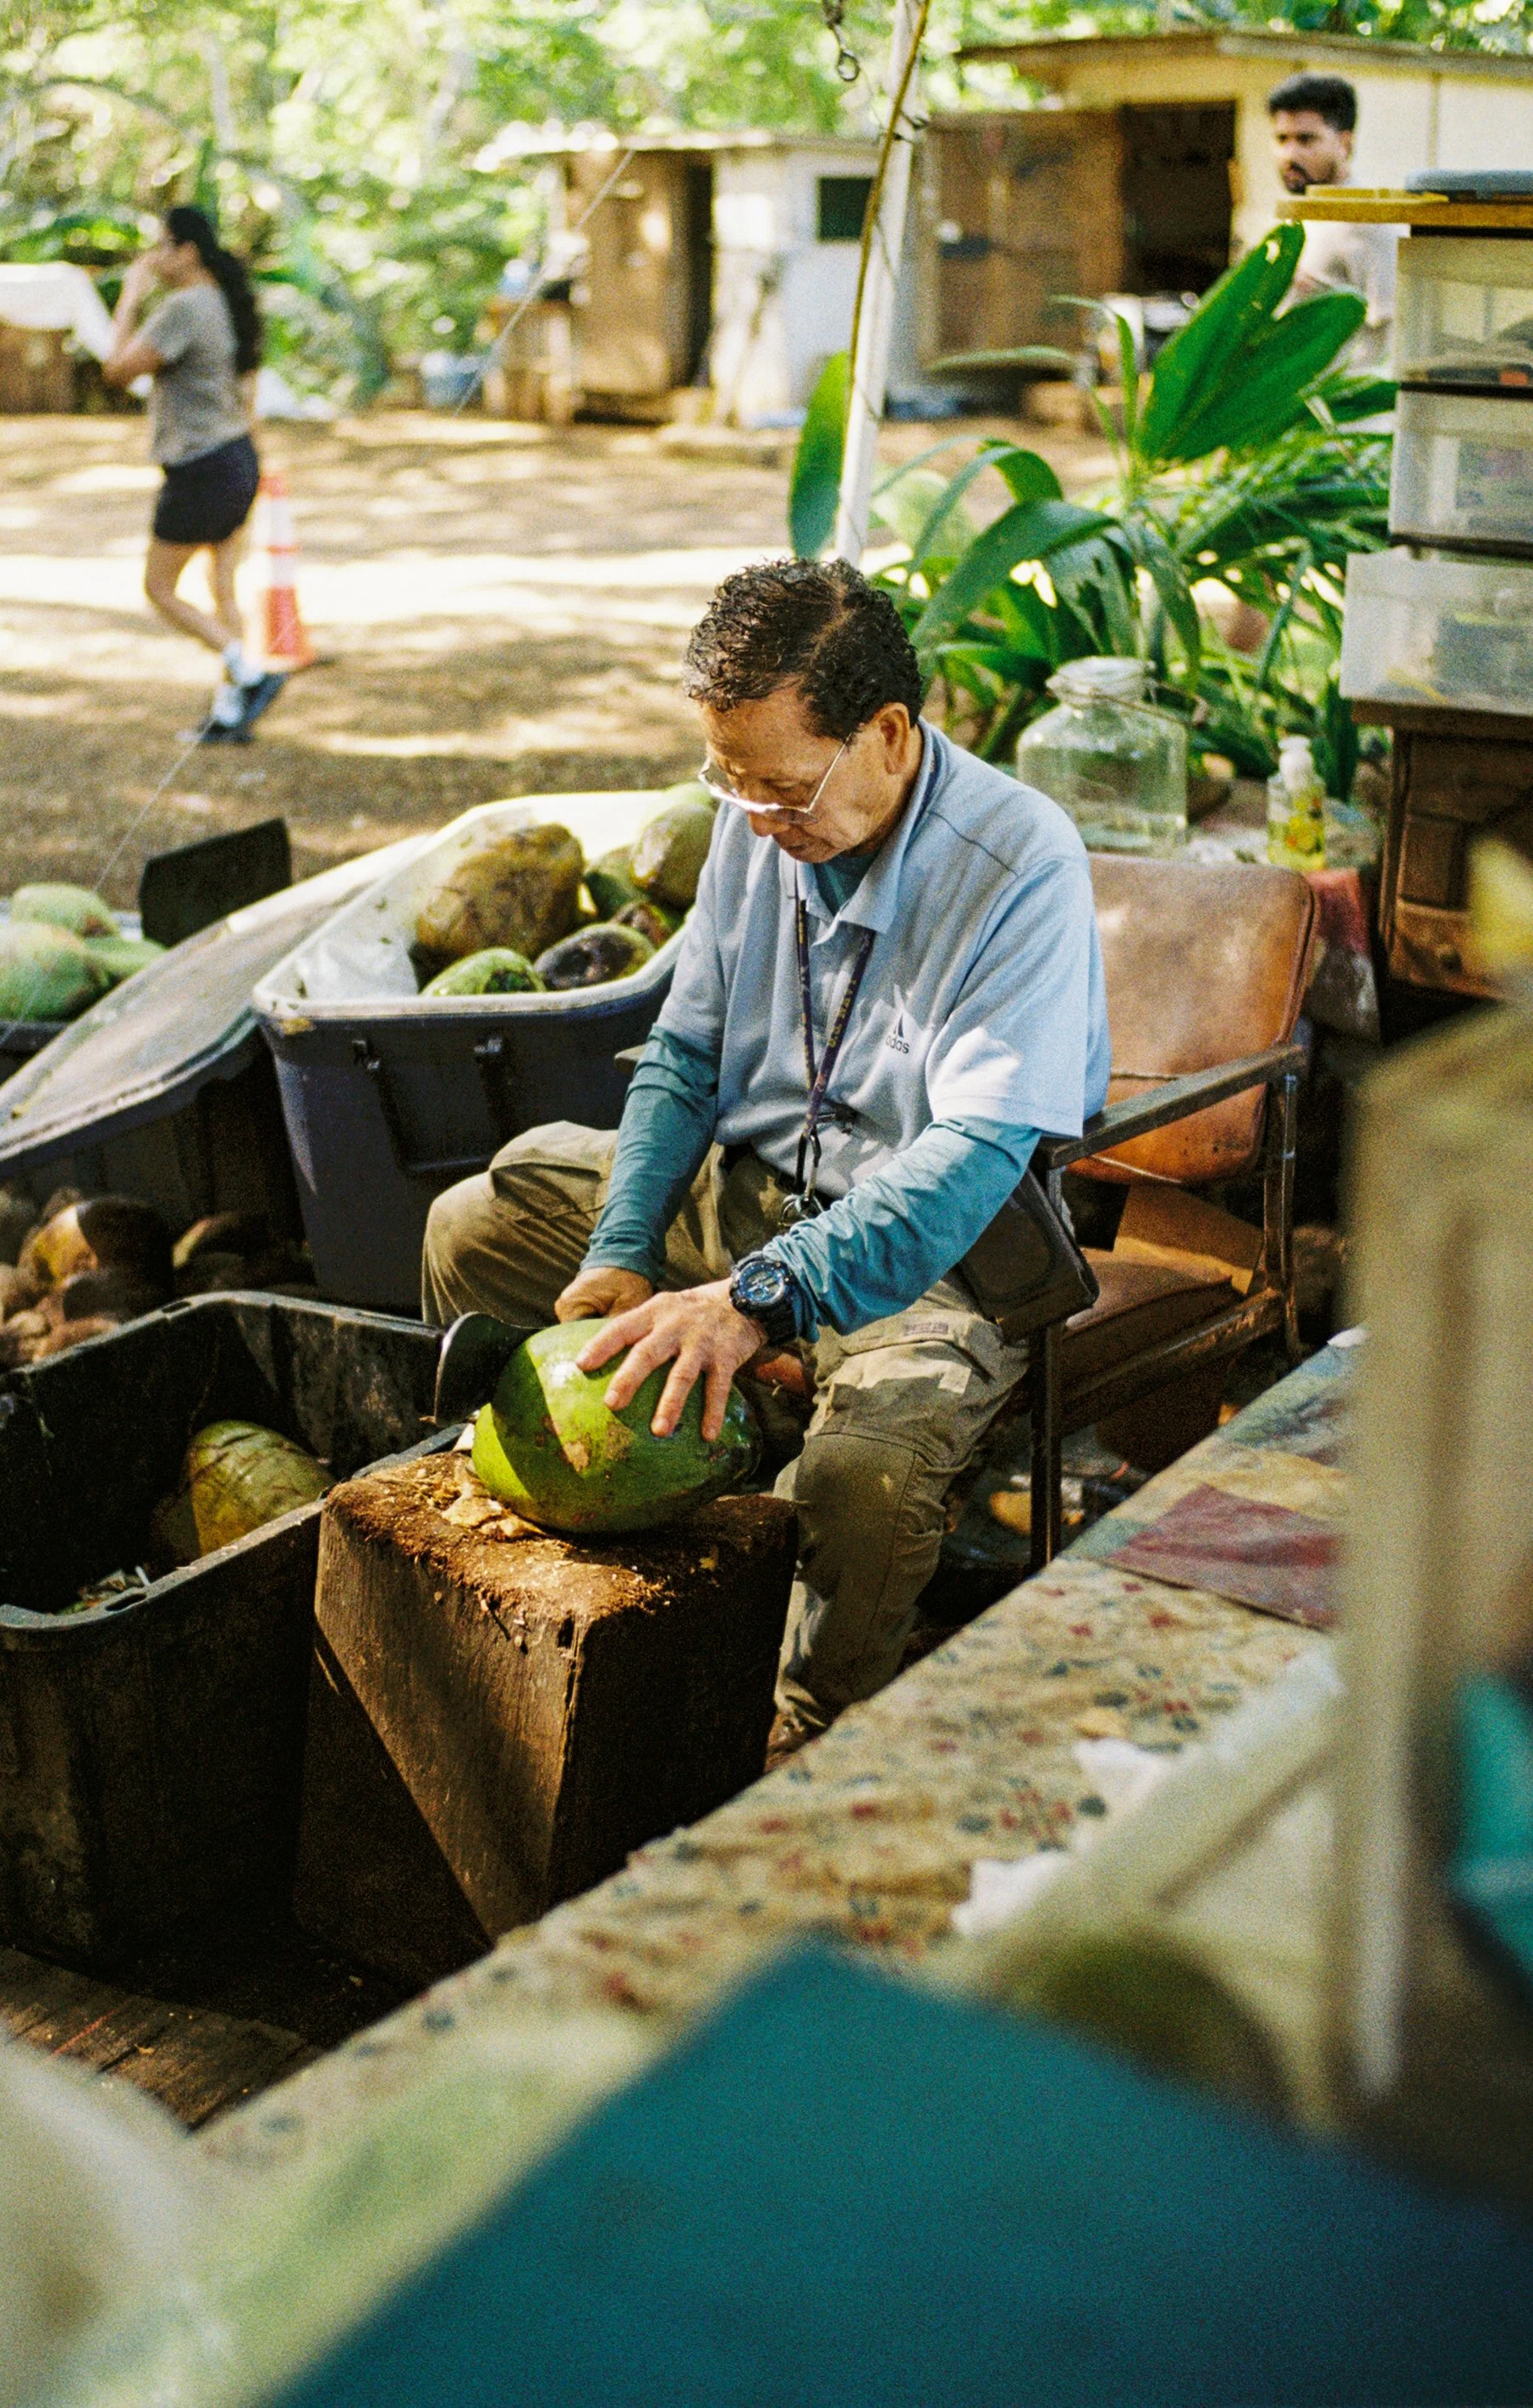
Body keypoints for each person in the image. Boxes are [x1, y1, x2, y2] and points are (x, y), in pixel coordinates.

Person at [423, 559, 1110, 1766]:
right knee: (475, 1220)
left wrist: (753, 1302)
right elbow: (683, 1056)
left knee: (864, 1478)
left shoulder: (1020, 866)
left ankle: (800, 1741)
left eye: (780, 786)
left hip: (933, 1259)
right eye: (728, 780)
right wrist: (623, 1250)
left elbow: (967, 1160)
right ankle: (564, 1535)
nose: (753, 816)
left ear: (888, 734)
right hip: (751, 1200)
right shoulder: (762, 824)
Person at [103, 204, 285, 744]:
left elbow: (116, 371)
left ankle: (249, 675)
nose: (153, 258)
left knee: (159, 588)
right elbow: (245, 391)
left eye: (161, 246)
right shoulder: (229, 302)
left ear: (187, 252)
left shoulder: (183, 308)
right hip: (238, 458)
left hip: (202, 468)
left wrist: (130, 296)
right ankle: (232, 715)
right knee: (222, 590)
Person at [1269, 71, 1397, 368]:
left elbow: (1390, 343)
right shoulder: (1296, 222)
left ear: (1344, 144)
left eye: (1306, 139)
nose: (1290, 154)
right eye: (1281, 139)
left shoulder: (1370, 224)